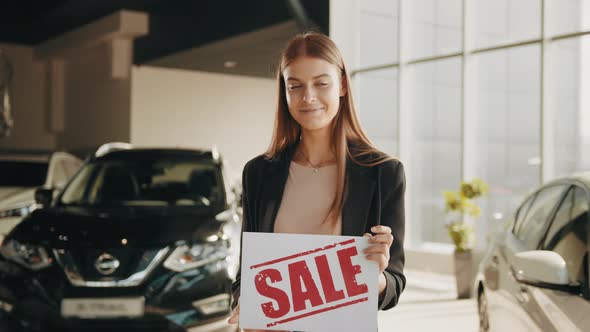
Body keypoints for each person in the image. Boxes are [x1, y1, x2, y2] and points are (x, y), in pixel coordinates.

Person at [228, 32, 406, 331]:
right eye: (295, 86)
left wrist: (374, 276)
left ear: (342, 86)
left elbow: (394, 286)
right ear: (283, 92)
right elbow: (246, 272)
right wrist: (244, 303)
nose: (307, 97)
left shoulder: (383, 172)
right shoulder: (259, 173)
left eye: (321, 83)